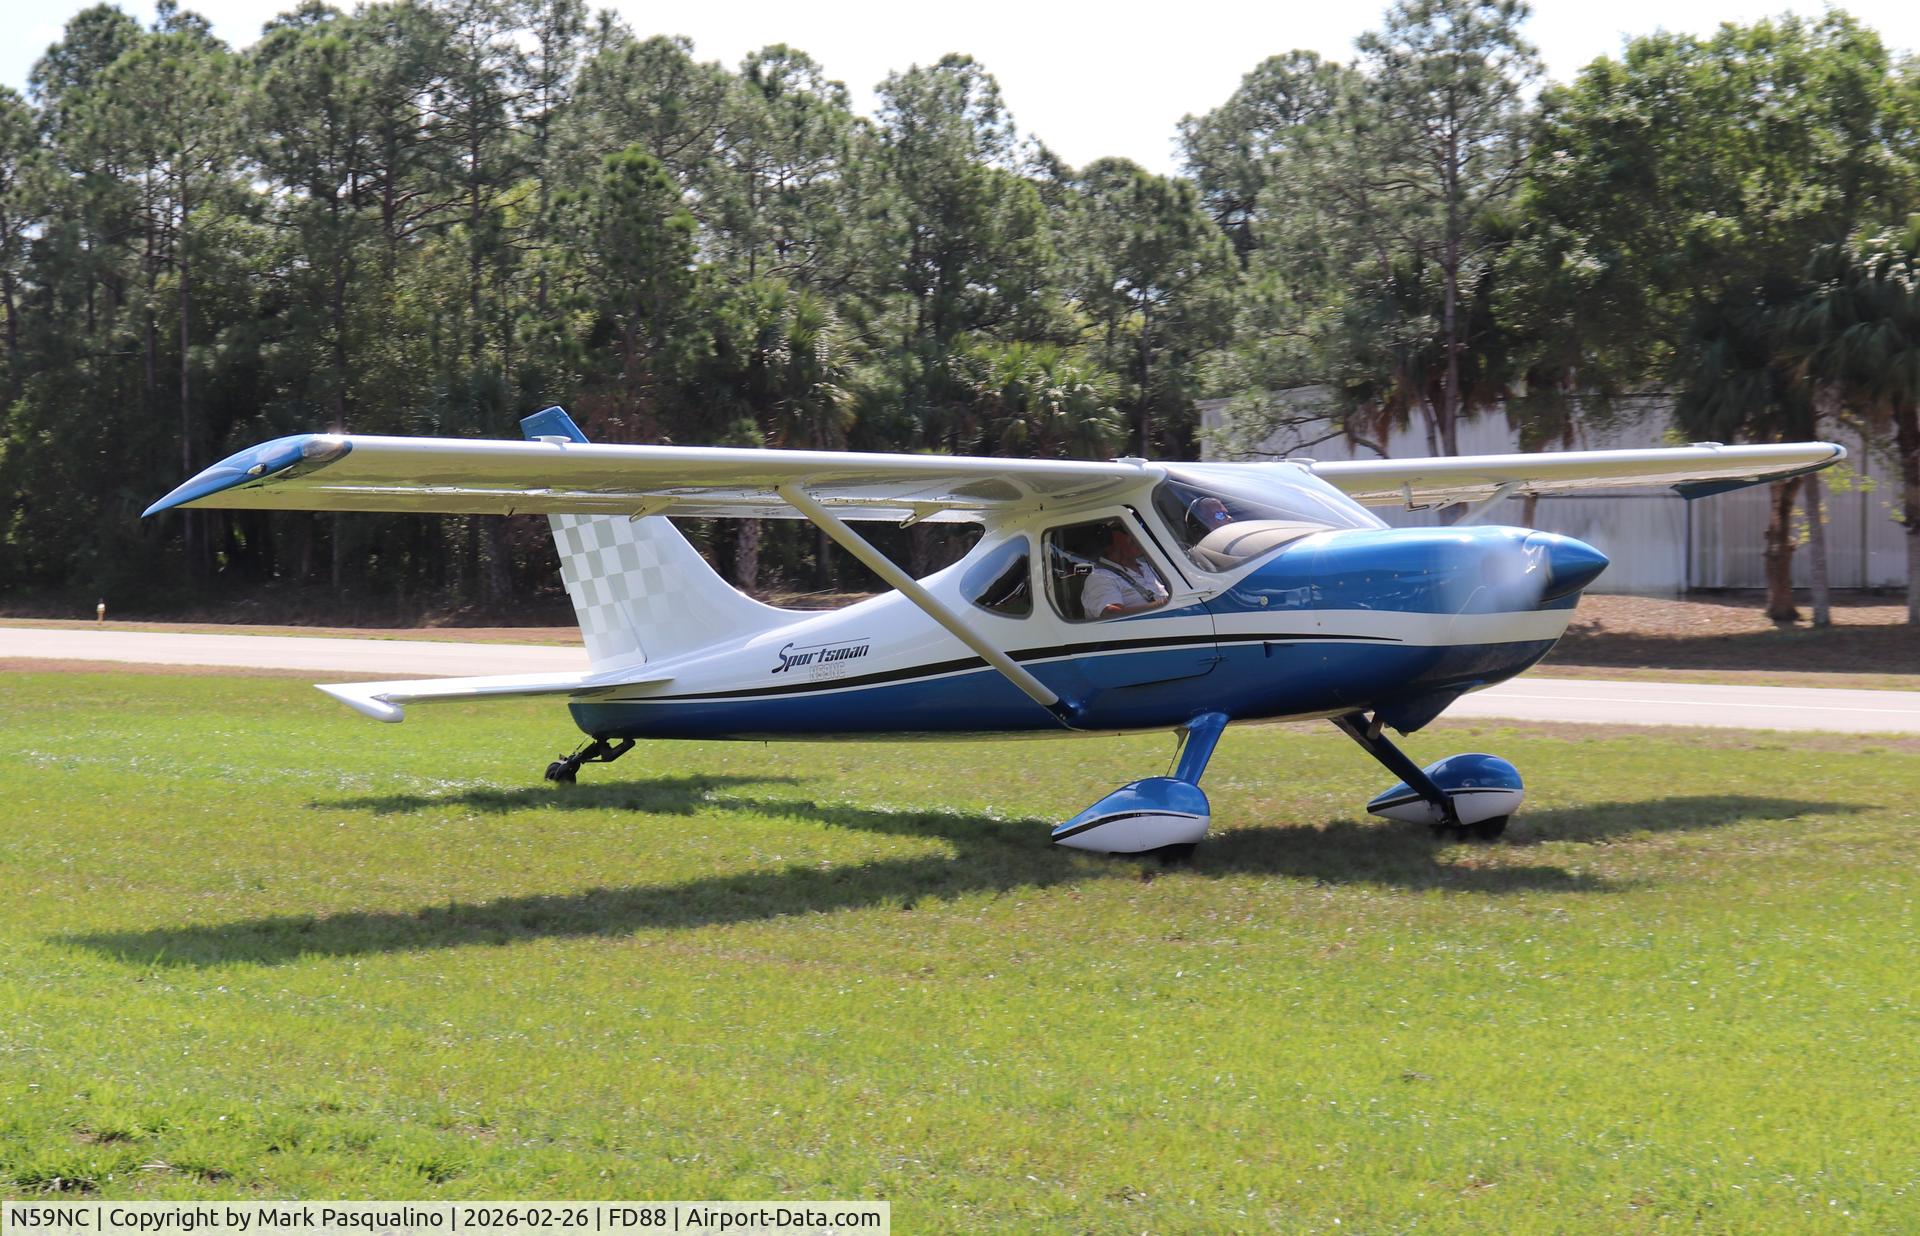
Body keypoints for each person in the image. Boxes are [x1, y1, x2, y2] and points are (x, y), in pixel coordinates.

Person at [1081, 524, 1169, 618]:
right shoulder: (1099, 577)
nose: (1137, 537)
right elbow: (1111, 614)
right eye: (1128, 531)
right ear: (1109, 541)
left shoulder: (1146, 566)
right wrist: (1164, 604)